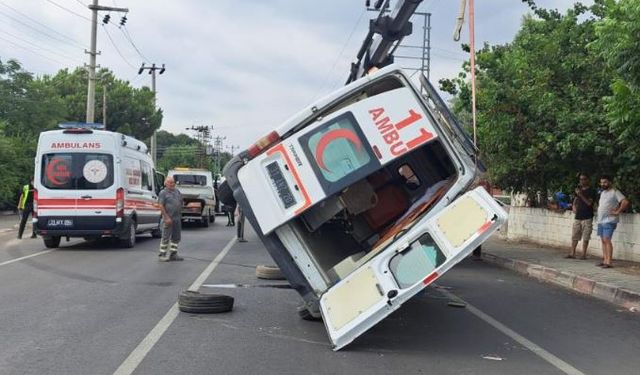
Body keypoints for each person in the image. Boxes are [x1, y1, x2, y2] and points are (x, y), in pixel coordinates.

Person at [595, 175, 629, 268]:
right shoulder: (602, 193)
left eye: (605, 182)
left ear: (609, 182)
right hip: (601, 220)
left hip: (609, 220)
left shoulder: (615, 191)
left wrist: (618, 211)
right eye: (601, 182)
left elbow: (625, 201)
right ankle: (605, 260)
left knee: (607, 240)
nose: (603, 184)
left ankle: (609, 262)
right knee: (603, 240)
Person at [565, 173, 596, 259]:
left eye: (584, 179)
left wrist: (581, 194)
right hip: (578, 216)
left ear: (588, 180)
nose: (582, 181)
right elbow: (575, 199)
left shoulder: (592, 191)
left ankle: (583, 254)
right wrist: (574, 206)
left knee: (586, 236)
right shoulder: (578, 190)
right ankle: (572, 253)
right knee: (575, 235)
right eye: (580, 179)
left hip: (587, 216)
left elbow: (589, 203)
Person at [158, 176, 183, 262]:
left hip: (177, 218)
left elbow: (180, 202)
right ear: (166, 183)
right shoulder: (163, 193)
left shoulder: (177, 192)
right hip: (168, 218)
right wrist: (166, 217)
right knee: (166, 237)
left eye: (173, 182)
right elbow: (160, 205)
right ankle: (162, 254)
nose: (172, 184)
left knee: (176, 237)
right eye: (170, 182)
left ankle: (173, 254)